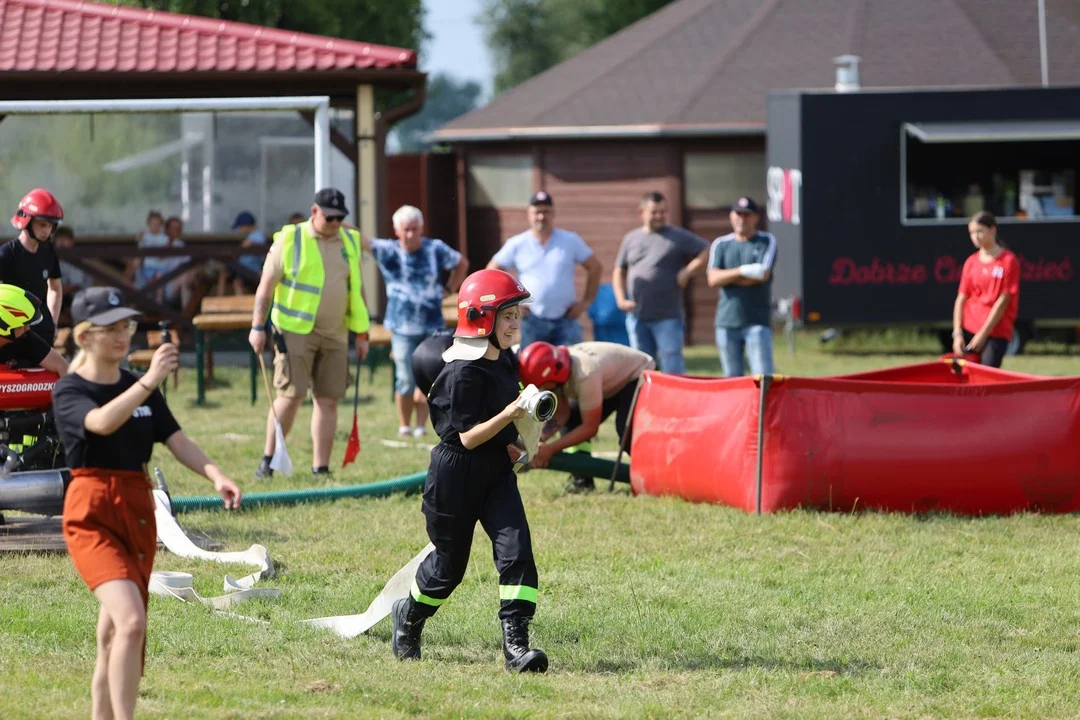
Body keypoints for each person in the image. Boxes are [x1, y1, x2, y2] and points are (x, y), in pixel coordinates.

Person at [52, 286, 241, 720]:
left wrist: (216, 475)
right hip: (92, 512)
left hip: (137, 508)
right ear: (84, 337)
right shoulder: (70, 390)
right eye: (111, 328)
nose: (123, 336)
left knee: (113, 633)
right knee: (132, 622)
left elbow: (176, 439)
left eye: (127, 326)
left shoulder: (139, 388)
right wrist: (148, 380)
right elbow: (100, 423)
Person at [391, 269, 548, 673]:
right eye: (507, 315)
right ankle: (407, 618)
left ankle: (516, 647)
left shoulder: (505, 360)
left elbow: (497, 430)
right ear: (481, 318)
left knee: (518, 554)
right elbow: (466, 439)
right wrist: (511, 412)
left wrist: (520, 441)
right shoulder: (461, 371)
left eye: (517, 314)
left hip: (495, 474)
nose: (516, 322)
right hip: (455, 476)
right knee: (448, 569)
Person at [249, 188, 371, 479]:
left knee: (328, 400)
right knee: (291, 395)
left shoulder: (350, 240)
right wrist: (257, 327)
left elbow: (357, 288)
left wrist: (363, 333)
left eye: (340, 218)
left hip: (336, 333)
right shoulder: (290, 239)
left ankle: (321, 469)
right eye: (330, 217)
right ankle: (268, 461)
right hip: (294, 331)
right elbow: (265, 287)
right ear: (314, 211)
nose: (335, 223)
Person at [366, 205, 468, 438]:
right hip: (401, 327)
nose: (410, 234)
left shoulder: (435, 248)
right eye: (406, 230)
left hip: (432, 325)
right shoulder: (389, 251)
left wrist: (448, 289)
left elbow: (462, 263)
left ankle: (422, 426)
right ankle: (404, 426)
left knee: (430, 378)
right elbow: (363, 242)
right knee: (404, 379)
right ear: (396, 230)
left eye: (414, 229)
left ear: (421, 229)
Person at [518, 340, 655, 492]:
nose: (540, 389)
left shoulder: (585, 374)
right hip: (609, 379)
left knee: (626, 431)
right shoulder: (558, 367)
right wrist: (534, 443)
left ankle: (652, 480)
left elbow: (590, 428)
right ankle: (583, 480)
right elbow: (562, 415)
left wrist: (550, 449)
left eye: (541, 386)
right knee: (573, 421)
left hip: (638, 373)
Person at [487, 191, 601, 349]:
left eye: (546, 211)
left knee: (573, 369)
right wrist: (509, 304)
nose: (541, 216)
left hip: (566, 320)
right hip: (531, 321)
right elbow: (491, 272)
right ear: (529, 214)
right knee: (530, 371)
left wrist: (586, 302)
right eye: (537, 212)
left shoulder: (570, 240)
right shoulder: (517, 243)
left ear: (553, 213)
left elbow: (595, 267)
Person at [612, 191, 709, 375]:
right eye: (654, 212)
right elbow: (619, 270)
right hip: (637, 315)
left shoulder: (677, 236)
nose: (659, 216)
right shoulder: (631, 239)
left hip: (668, 316)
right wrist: (620, 299)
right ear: (641, 213)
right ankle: (644, 403)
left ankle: (676, 403)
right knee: (640, 368)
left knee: (672, 366)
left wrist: (687, 272)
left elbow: (706, 250)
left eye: (663, 212)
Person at [706, 196, 778, 377]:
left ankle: (763, 407)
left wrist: (728, 276)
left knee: (762, 377)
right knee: (731, 378)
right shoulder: (721, 244)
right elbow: (713, 279)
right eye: (738, 214)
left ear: (755, 218)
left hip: (757, 321)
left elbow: (762, 275)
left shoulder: (766, 241)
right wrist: (744, 271)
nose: (742, 219)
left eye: (747, 215)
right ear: (731, 216)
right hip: (727, 321)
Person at [951, 211, 1020, 368]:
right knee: (961, 375)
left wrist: (983, 334)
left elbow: (1003, 301)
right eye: (972, 233)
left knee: (987, 375)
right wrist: (957, 334)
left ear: (993, 230)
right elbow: (961, 299)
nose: (975, 236)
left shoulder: (1008, 261)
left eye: (979, 231)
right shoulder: (971, 262)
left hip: (995, 331)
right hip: (969, 328)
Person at [2, 188, 64, 344]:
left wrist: (53, 322)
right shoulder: (7, 254)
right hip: (12, 334)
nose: (47, 231)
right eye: (42, 224)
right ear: (26, 221)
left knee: (59, 367)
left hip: (42, 331)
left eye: (51, 226)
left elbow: (55, 287)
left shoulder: (48, 252)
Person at [0, 284, 68, 373]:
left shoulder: (25, 339)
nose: (27, 329)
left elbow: (62, 366)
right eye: (22, 325)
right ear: (3, 326)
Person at [219, 211, 267, 296]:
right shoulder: (250, 236)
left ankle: (220, 296)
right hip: (243, 266)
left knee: (229, 275)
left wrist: (249, 243)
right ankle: (223, 297)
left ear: (246, 226)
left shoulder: (258, 235)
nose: (240, 230)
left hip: (250, 267)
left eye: (241, 227)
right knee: (232, 278)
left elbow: (259, 244)